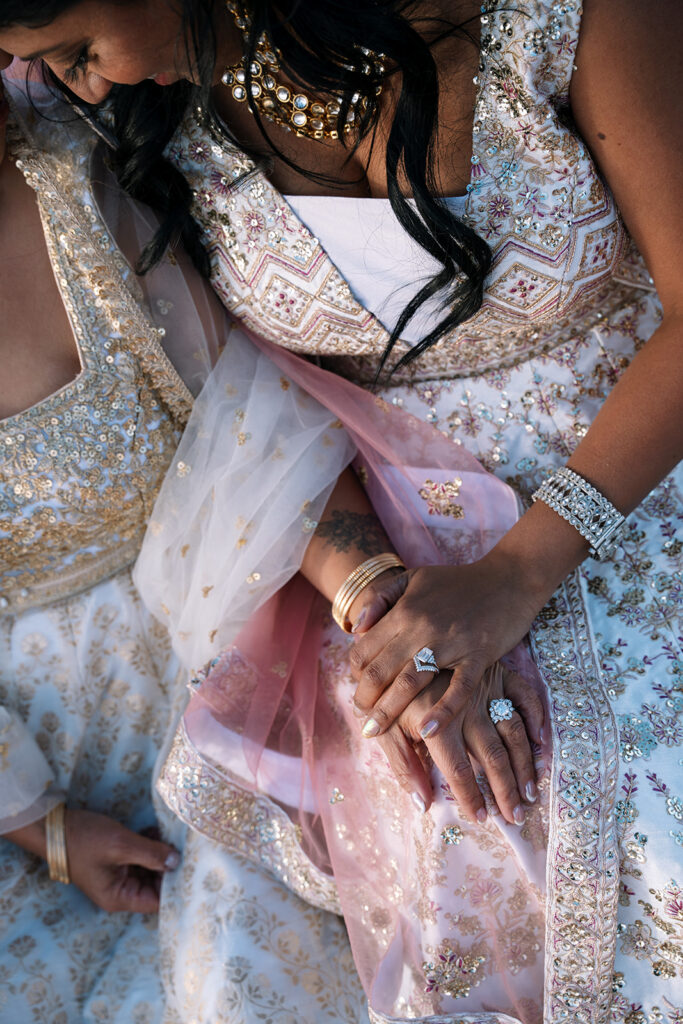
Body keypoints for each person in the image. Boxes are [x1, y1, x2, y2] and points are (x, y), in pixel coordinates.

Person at [0, 0, 680, 1020]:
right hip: (393, 531)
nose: (78, 88)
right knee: (450, 793)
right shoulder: (162, 131)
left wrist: (515, 573)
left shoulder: (559, 17)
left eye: (76, 50)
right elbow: (239, 411)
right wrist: (377, 597)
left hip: (643, 464)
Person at [0, 60, 382, 1023]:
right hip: (23, 754)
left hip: (226, 645)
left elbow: (252, 437)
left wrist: (366, 590)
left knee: (238, 979)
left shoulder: (83, 197)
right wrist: (41, 827)